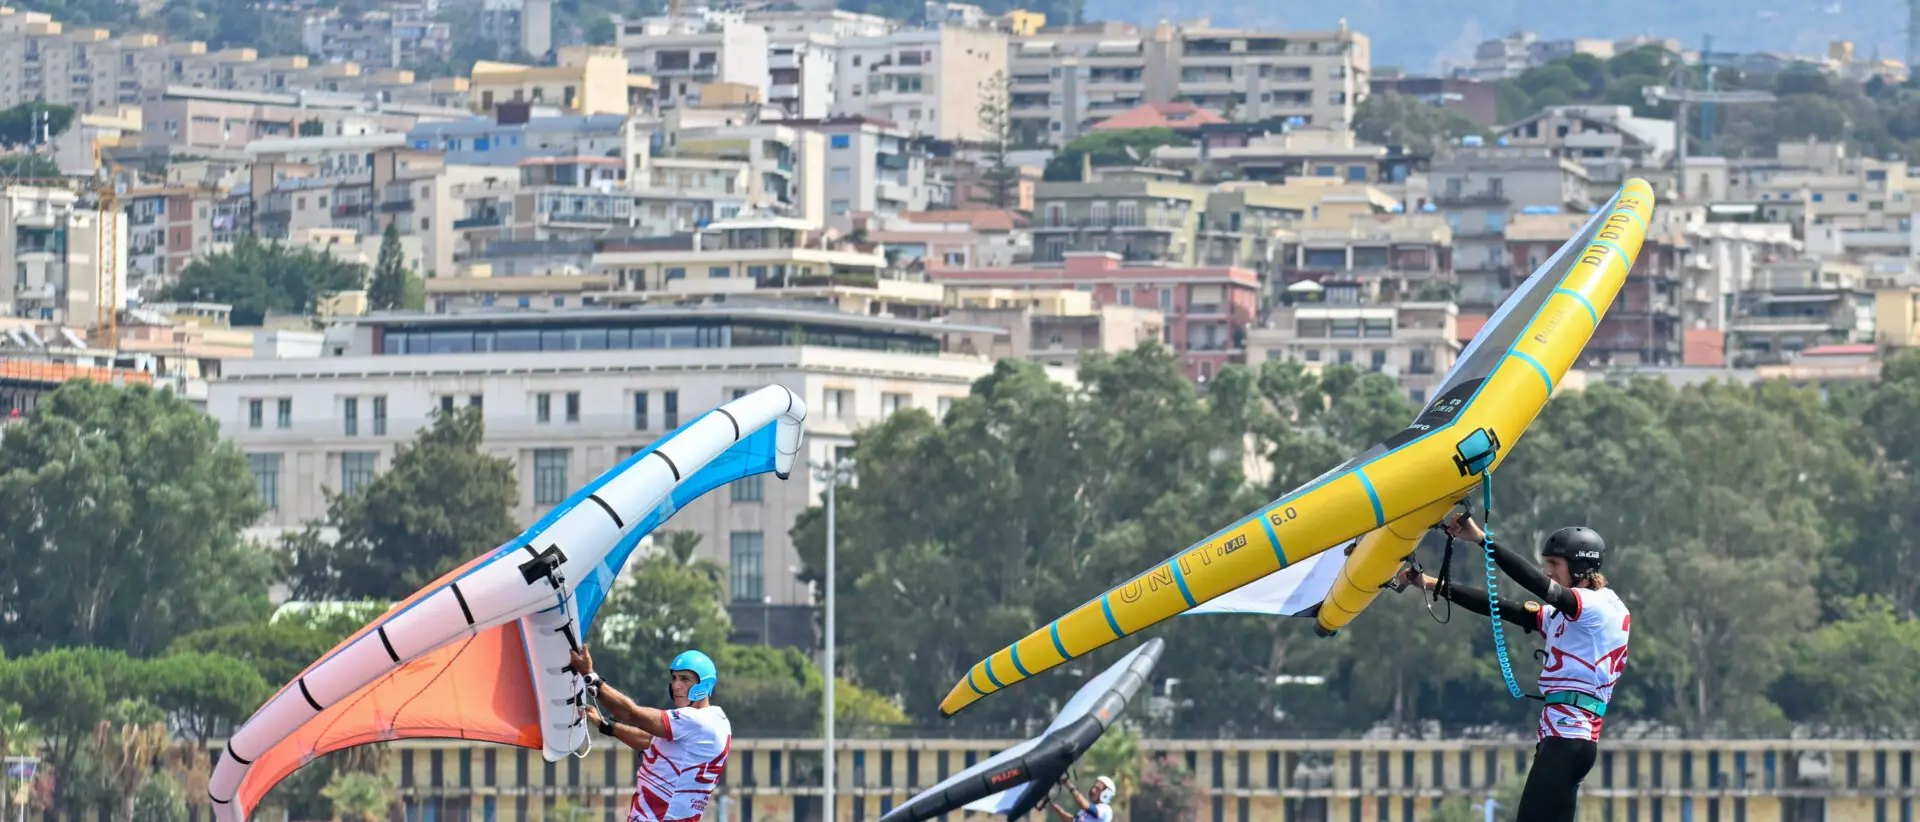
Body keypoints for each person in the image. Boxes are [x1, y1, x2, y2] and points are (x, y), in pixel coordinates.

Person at [1398, 512, 1629, 822]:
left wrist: (1481, 539)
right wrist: (1428, 583)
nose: (1547, 571)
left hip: (1568, 738)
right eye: (1546, 565)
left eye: (1554, 565)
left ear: (1581, 569)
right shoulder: (1573, 615)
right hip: (1565, 739)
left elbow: (1536, 584)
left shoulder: (1597, 606)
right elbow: (1504, 608)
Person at [570, 646, 732, 822]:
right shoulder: (718, 721)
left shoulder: (694, 720)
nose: (676, 686)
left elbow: (631, 714)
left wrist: (590, 676)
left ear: (705, 684)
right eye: (674, 678)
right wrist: (607, 726)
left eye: (685, 679)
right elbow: (650, 741)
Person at [1045, 775, 1114, 822]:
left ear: (1106, 794)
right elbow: (1072, 820)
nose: (1093, 790)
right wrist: (1056, 808)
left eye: (1097, 789)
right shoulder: (1085, 810)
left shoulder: (1106, 810)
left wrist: (1069, 785)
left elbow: (1085, 805)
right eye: (1093, 787)